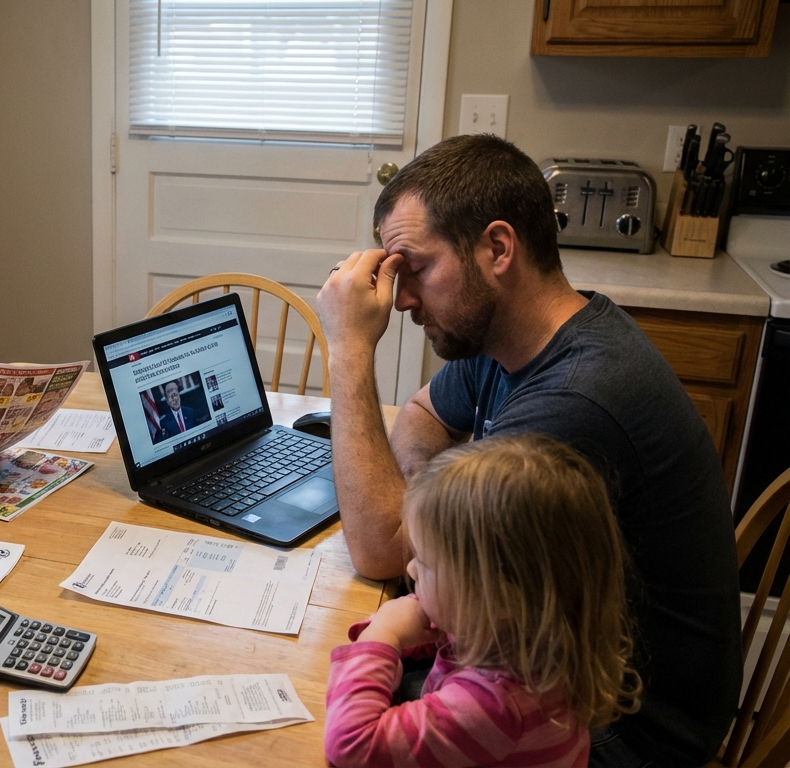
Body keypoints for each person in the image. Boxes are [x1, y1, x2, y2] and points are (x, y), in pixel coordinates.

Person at [315, 133, 740, 766]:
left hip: (619, 729)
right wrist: (439, 507)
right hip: (537, 669)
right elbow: (421, 415)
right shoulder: (522, 338)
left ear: (497, 248)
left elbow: (381, 552)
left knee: (317, 716)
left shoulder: (574, 403)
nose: (400, 299)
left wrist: (349, 350)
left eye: (416, 269)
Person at [325, 435, 641, 767]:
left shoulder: (494, 705)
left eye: (426, 562)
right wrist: (401, 631)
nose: (410, 568)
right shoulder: (533, 636)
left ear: (498, 596)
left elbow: (351, 746)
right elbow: (455, 635)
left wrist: (382, 637)